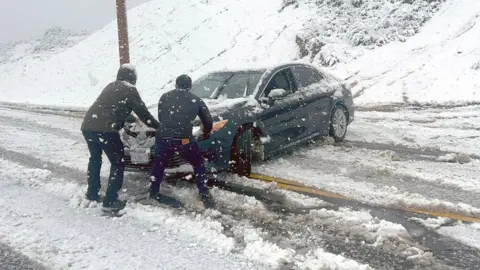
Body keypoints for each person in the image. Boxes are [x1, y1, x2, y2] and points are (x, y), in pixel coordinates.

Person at [81, 64, 160, 211]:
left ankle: (92, 193)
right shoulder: (130, 89)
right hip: (105, 130)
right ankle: (110, 200)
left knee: (95, 159)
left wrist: (130, 118)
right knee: (118, 162)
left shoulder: (110, 86)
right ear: (133, 78)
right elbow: (144, 114)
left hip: (88, 126)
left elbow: (113, 107)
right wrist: (160, 128)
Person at [149, 74, 214, 207]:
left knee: (159, 163)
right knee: (198, 162)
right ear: (189, 86)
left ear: (176, 85)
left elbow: (162, 117)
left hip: (163, 137)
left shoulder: (164, 96)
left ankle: (153, 191)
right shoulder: (196, 100)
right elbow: (208, 122)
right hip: (183, 140)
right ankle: (204, 192)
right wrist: (206, 132)